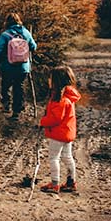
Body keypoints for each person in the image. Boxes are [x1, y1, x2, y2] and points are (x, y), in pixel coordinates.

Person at [38, 65, 80, 194]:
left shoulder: (60, 100)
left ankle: (54, 184)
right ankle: (71, 182)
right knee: (67, 157)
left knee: (54, 157)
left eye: (51, 78)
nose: (48, 81)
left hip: (58, 134)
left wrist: (42, 122)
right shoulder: (68, 97)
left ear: (57, 81)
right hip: (67, 133)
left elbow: (55, 119)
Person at [0, 12, 37, 120]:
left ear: (7, 22)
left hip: (8, 66)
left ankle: (6, 105)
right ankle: (16, 112)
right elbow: (34, 47)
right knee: (18, 87)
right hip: (23, 67)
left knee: (6, 85)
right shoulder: (26, 32)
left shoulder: (5, 35)